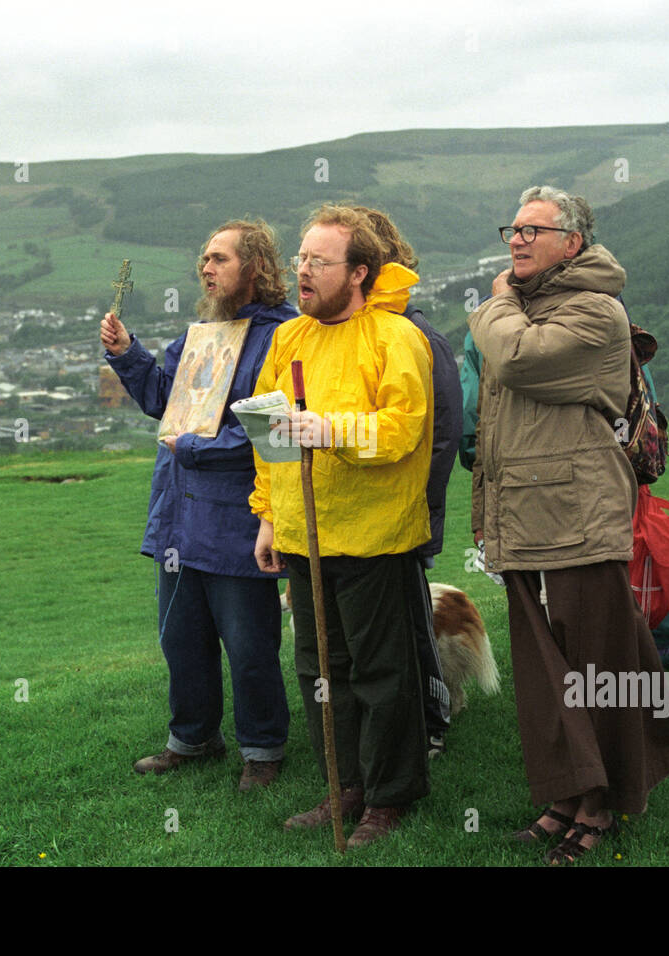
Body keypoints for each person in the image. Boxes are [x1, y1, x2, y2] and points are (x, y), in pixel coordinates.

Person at [470, 186, 669, 865]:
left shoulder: (594, 312)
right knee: (543, 668)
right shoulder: (529, 308)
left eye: (534, 230)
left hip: (578, 513)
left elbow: (515, 360)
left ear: (573, 243)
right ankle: (565, 794)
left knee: (596, 663)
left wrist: (496, 301)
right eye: (513, 227)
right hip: (525, 513)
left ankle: (603, 803)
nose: (517, 239)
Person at [250, 203, 433, 848]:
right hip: (304, 534)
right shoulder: (290, 337)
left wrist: (331, 430)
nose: (302, 271)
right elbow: (268, 432)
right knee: (321, 667)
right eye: (300, 259)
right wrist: (268, 516)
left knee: (381, 672)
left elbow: (404, 428)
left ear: (358, 272)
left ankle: (389, 796)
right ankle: (344, 786)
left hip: (373, 535)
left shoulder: (395, 338)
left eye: (317, 262)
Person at [101, 219, 295, 791]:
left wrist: (192, 447)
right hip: (180, 519)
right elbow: (167, 401)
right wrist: (128, 354)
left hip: (238, 516)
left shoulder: (283, 336)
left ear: (255, 267)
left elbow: (275, 433)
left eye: (219, 259)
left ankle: (262, 748)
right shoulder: (202, 336)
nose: (205, 269)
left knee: (249, 642)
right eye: (203, 260)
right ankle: (193, 739)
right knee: (180, 638)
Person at [353, 205, 463, 759]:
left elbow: (441, 434)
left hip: (404, 515)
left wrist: (418, 510)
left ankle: (431, 721)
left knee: (411, 623)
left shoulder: (416, 335)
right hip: (362, 518)